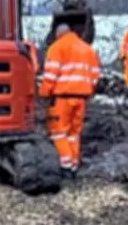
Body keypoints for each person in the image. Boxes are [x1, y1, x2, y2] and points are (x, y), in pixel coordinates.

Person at [39, 24, 101, 178]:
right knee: (74, 133)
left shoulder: (57, 47)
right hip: (81, 99)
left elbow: (51, 75)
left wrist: (44, 93)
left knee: (58, 132)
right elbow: (95, 76)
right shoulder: (88, 49)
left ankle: (65, 166)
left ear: (58, 34)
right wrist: (88, 92)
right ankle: (74, 164)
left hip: (63, 98)